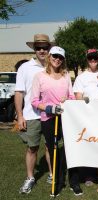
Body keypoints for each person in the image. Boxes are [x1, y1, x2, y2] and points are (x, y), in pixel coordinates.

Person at [31, 46, 82, 197]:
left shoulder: (66, 76)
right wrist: (49, 108)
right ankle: (57, 183)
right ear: (49, 56)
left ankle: (74, 182)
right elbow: (34, 101)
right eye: (54, 56)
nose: (57, 59)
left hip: (66, 117)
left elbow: (72, 97)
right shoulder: (39, 76)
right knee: (53, 150)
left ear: (63, 60)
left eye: (60, 57)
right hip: (49, 119)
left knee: (71, 150)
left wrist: (67, 100)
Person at [15, 34, 54, 194]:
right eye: (39, 48)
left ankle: (52, 174)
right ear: (34, 49)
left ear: (49, 48)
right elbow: (19, 93)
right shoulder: (25, 68)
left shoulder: (54, 65)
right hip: (31, 115)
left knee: (50, 146)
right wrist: (20, 115)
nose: (42, 50)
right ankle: (30, 177)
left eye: (45, 47)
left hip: (51, 114)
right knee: (32, 148)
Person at [72, 48, 98, 186]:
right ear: (87, 60)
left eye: (95, 58)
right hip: (88, 116)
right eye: (90, 58)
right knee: (89, 145)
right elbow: (78, 97)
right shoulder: (81, 77)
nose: (93, 60)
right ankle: (90, 174)